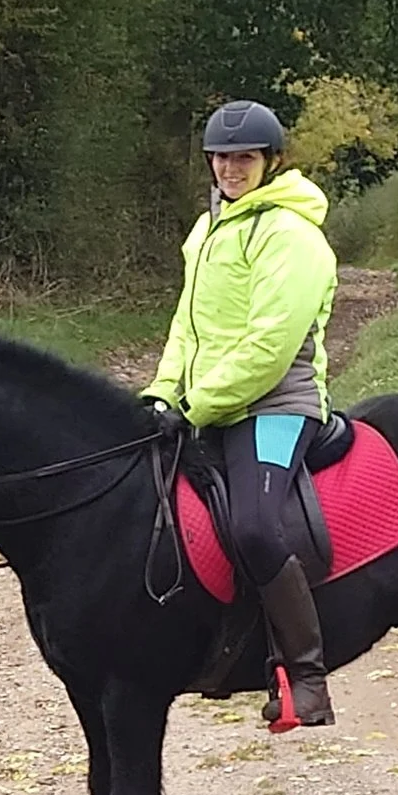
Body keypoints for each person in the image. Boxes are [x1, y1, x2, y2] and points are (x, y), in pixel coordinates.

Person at [142, 100, 341, 732]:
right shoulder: (208, 230)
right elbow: (186, 327)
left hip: (277, 405)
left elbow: (269, 347)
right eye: (221, 158)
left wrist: (194, 405)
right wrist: (162, 393)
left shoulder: (292, 236)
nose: (231, 168)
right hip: (211, 405)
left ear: (271, 161)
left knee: (254, 524)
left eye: (245, 157)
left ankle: (307, 678)